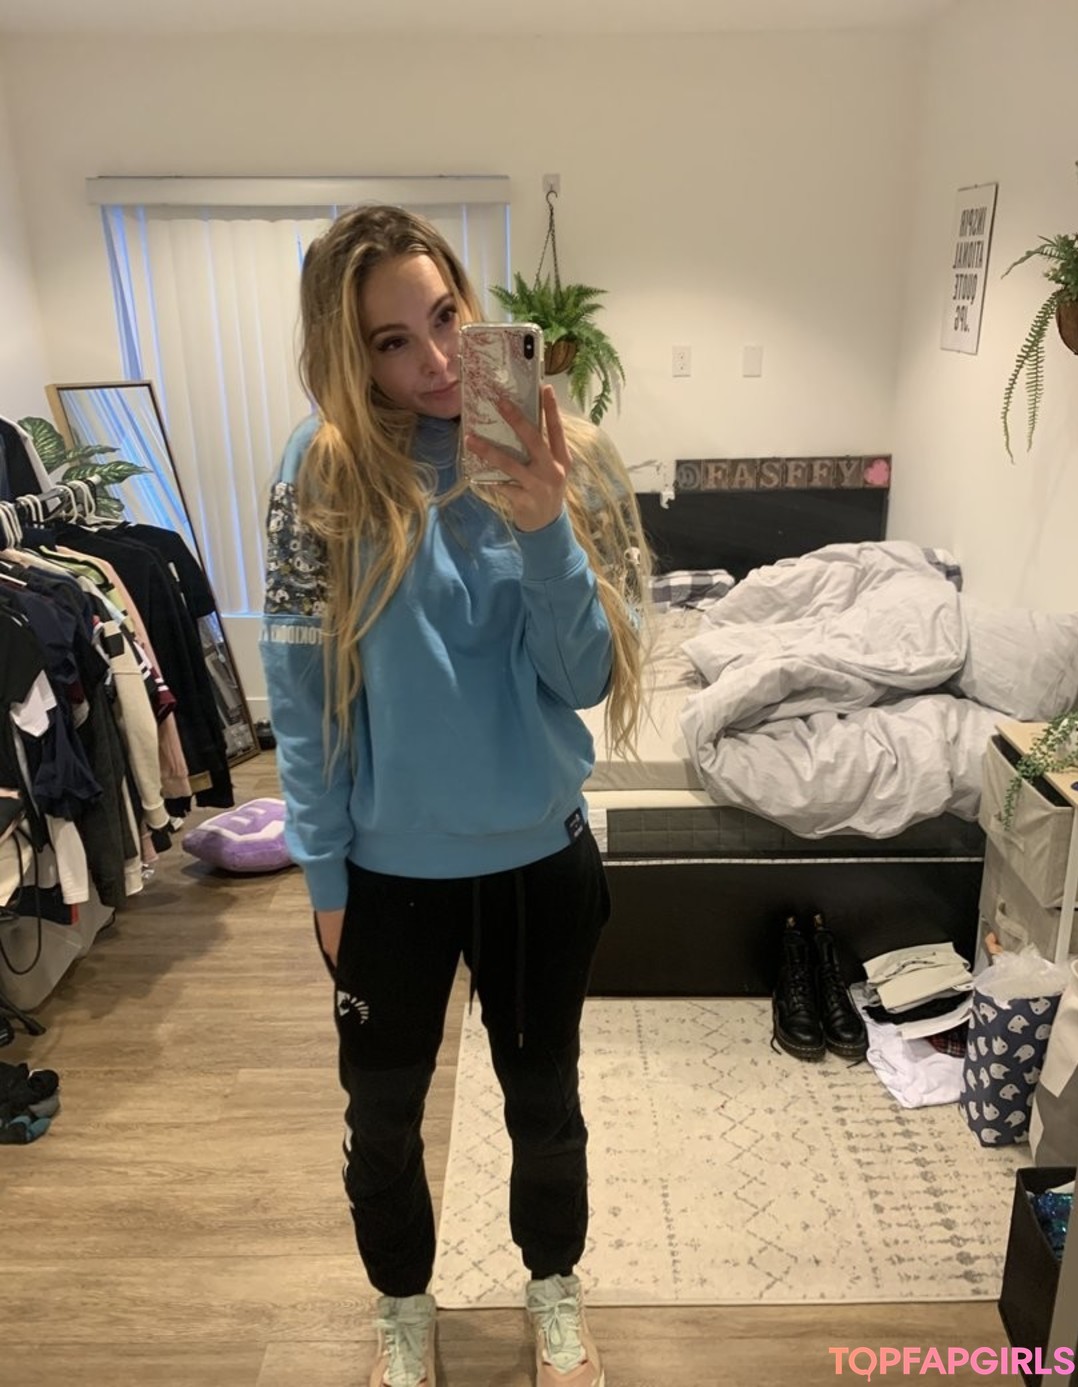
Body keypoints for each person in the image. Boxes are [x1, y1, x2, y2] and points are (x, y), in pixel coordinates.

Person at [260, 203, 651, 1387]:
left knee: (545, 1104)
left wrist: (542, 525)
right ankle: (402, 1305)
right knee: (380, 1121)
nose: (434, 360)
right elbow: (300, 695)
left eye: (444, 317)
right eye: (392, 341)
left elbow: (583, 679)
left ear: (473, 308)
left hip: (539, 859)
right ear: (349, 354)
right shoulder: (319, 473)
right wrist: (324, 875)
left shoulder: (559, 456)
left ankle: (552, 1286)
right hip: (386, 879)